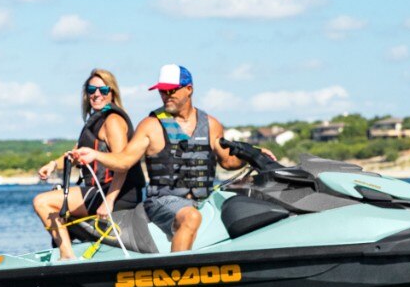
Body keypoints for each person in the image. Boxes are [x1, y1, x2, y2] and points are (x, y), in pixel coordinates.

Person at [72, 64, 273, 252]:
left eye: (171, 90)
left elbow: (228, 162)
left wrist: (254, 154)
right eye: (162, 91)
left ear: (189, 89)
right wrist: (96, 155)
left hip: (203, 199)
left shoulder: (211, 124)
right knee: (191, 217)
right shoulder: (151, 125)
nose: (166, 96)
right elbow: (124, 161)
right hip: (162, 201)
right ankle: (177, 273)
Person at [32, 69, 143, 260]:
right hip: (101, 191)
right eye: (92, 89)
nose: (96, 94)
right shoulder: (95, 121)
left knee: (43, 202)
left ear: (112, 92)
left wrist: (108, 202)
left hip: (117, 193)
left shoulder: (113, 121)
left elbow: (121, 164)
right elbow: (75, 152)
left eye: (103, 89)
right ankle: (74, 249)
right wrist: (53, 165)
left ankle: (67, 256)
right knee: (56, 196)